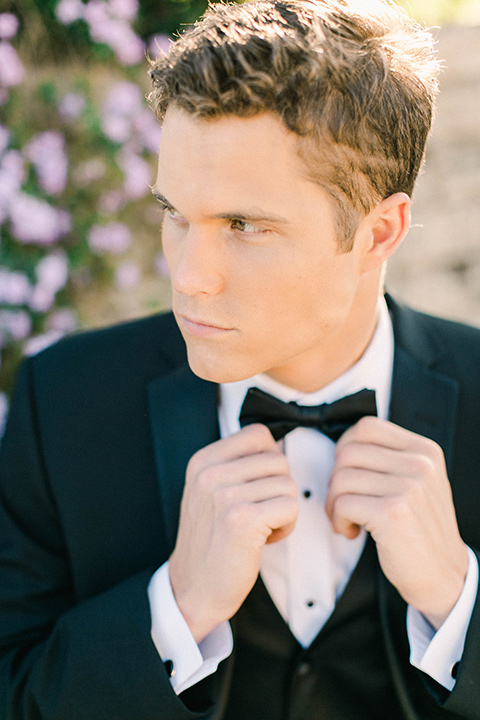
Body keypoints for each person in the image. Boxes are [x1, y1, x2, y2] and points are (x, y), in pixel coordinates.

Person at [1, 0, 480, 718]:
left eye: (245, 225)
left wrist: (458, 602)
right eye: (175, 215)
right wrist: (174, 609)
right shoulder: (62, 401)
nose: (189, 275)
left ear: (380, 232)